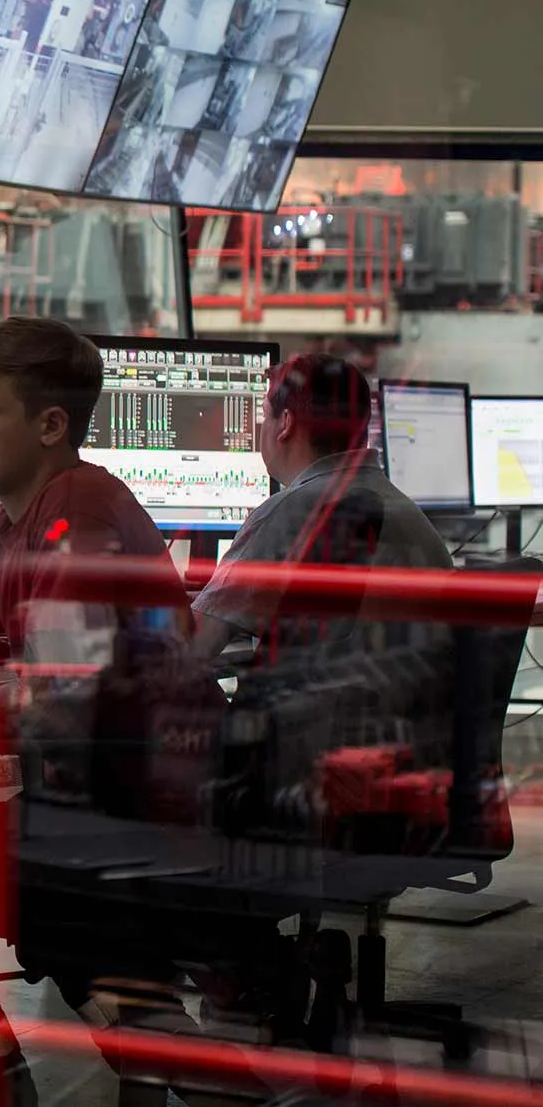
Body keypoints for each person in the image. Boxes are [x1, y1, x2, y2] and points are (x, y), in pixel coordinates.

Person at [0, 318, 186, 1107]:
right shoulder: (3, 532)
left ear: (51, 425)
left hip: (130, 808)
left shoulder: (78, 509)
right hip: (82, 799)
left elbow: (62, 690)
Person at [192, 354, 456, 833]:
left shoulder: (291, 513)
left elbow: (191, 650)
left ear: (286, 423)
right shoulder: (414, 520)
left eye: (264, 417)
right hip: (406, 780)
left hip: (302, 780)